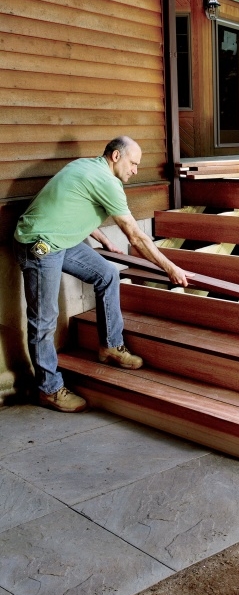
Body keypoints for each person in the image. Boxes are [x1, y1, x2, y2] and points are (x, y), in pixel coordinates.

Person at [14, 136, 191, 413]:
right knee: (44, 320)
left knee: (106, 273)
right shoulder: (107, 181)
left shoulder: (88, 167)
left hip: (62, 239)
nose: (135, 170)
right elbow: (136, 237)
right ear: (116, 157)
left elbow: (75, 207)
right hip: (41, 245)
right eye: (133, 163)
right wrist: (171, 268)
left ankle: (110, 346)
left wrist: (103, 239)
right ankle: (48, 389)